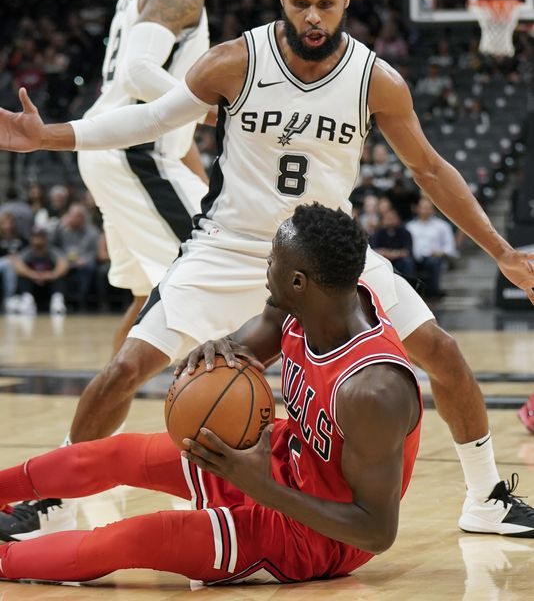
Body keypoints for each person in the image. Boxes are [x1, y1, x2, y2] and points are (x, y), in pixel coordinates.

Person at [1, 0, 534, 539]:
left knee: (442, 352)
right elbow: (151, 118)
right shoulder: (237, 60)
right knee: (124, 369)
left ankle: (486, 498)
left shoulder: (375, 79)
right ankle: (55, 503)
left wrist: (503, 252)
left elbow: (431, 169)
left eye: (326, 3)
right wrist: (50, 135)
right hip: (228, 244)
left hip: (329, 252)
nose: (313, 15)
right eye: (301, 0)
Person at [0, 204, 422, 584]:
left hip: (314, 537)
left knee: (134, 538)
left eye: (272, 260)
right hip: (277, 458)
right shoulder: (302, 303)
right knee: (110, 455)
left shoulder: (373, 390)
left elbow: (376, 531)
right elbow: (242, 347)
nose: (266, 267)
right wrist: (216, 350)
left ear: (298, 280)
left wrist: (265, 491)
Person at [76, 0, 231, 351]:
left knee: (148, 294)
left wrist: (205, 188)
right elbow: (138, 73)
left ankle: (94, 419)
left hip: (121, 152)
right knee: (215, 273)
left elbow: (168, 122)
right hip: (134, 154)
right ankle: (234, 414)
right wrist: (214, 112)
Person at [407, 196, 458, 301]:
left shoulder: (442, 226)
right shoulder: (410, 226)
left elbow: (450, 247)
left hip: (433, 256)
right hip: (413, 257)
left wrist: (441, 252)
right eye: (423, 207)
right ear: (417, 209)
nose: (425, 210)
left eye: (428, 208)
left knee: (434, 263)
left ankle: (433, 295)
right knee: (406, 263)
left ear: (433, 209)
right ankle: (410, 295)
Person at [11, 227, 68, 315]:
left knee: (60, 277)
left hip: (49, 285)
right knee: (22, 276)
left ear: (46, 238)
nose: (38, 240)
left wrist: (52, 275)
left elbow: (63, 265)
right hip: (33, 285)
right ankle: (27, 300)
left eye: (40, 237)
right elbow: (18, 266)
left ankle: (57, 302)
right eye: (35, 237)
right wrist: (32, 274)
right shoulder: (27, 251)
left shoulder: (53, 251)